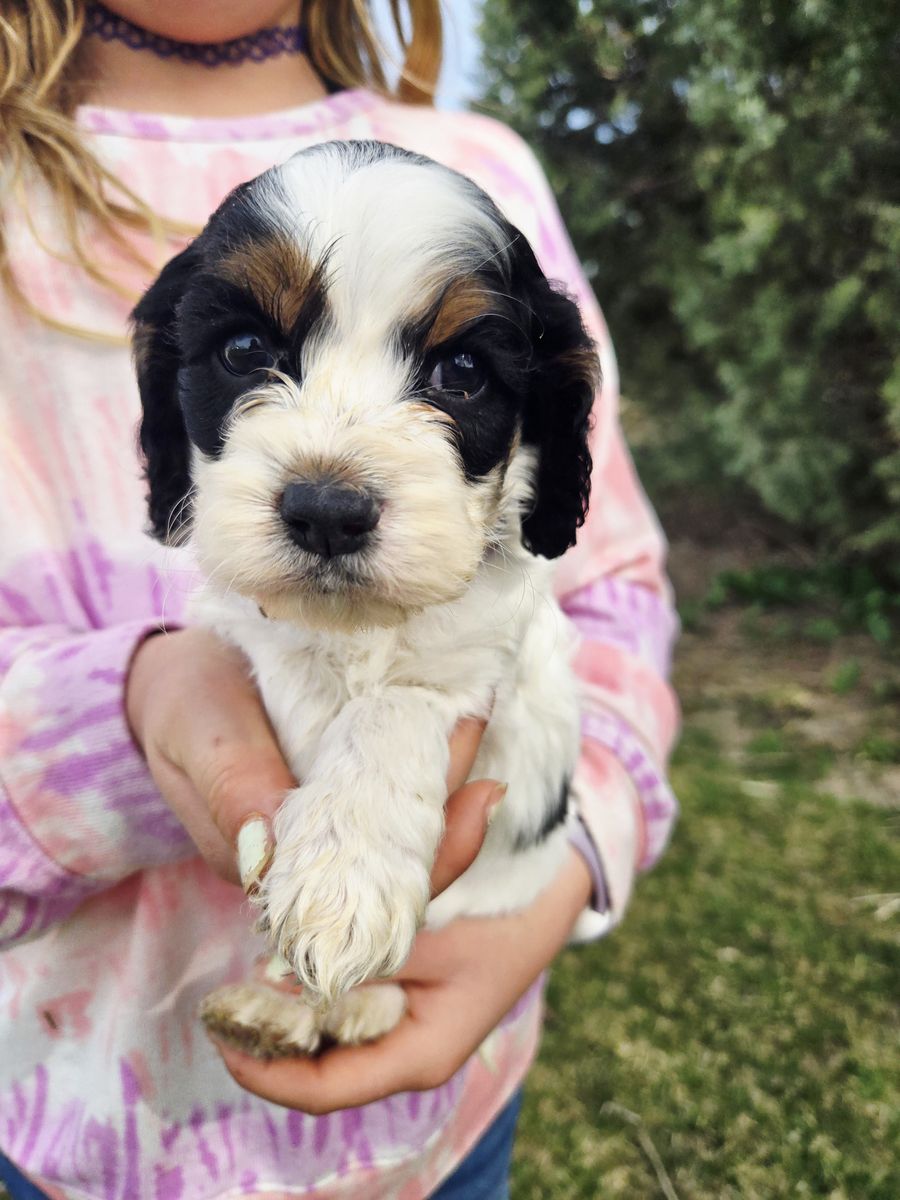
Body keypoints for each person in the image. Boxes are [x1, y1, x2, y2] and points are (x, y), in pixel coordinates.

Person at [0, 2, 680, 1197]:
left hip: (446, 1120)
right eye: (246, 357)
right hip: (60, 1119)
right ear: (167, 393)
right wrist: (131, 709)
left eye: (457, 370)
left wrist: (553, 884)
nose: (328, 481)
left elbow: (611, 598)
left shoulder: (487, 166)